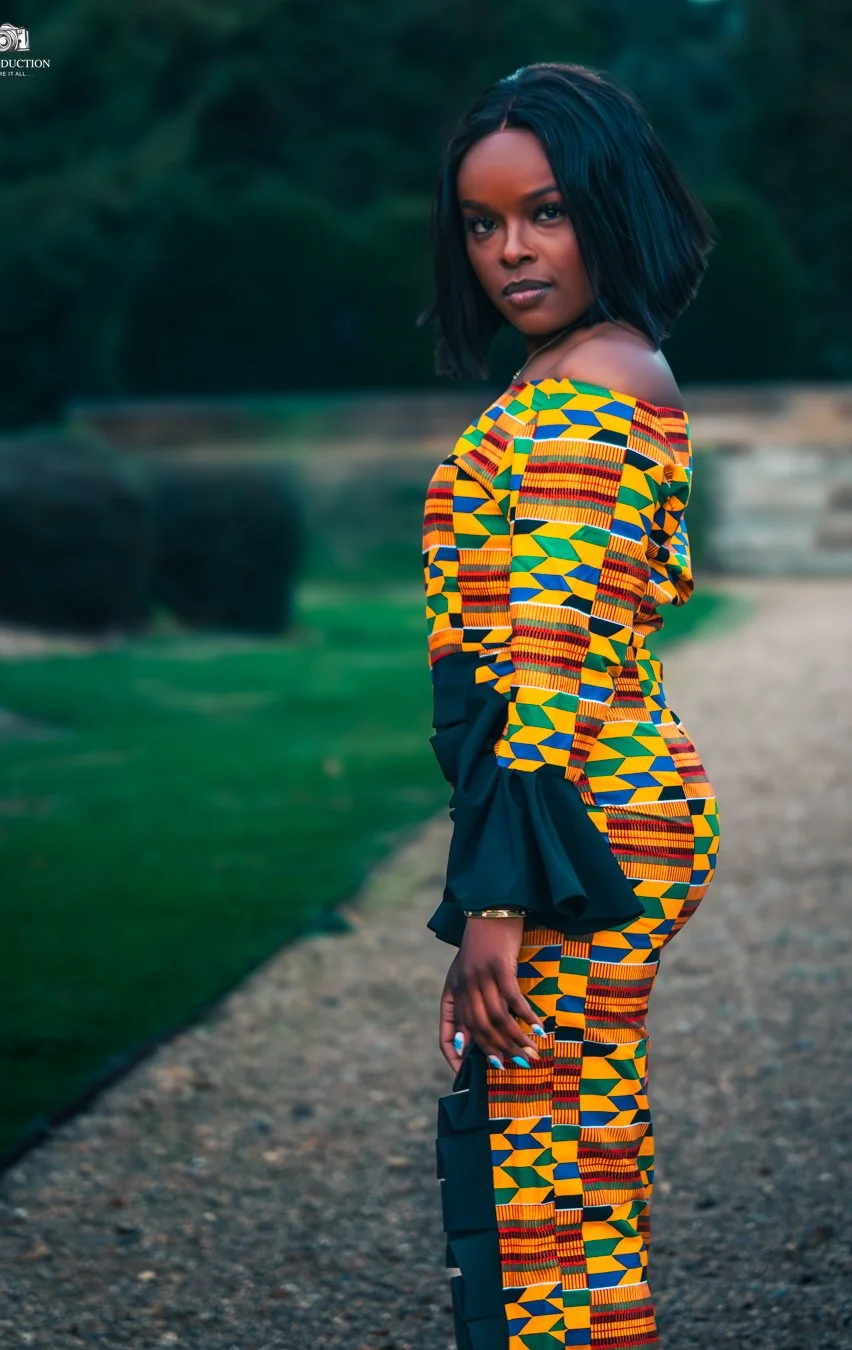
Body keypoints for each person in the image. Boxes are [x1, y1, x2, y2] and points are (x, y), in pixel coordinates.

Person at [417, 62, 720, 1349]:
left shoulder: (581, 395)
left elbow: (540, 676)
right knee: (571, 1164)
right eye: (483, 224)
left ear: (609, 205)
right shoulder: (603, 366)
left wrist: (497, 906)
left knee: (539, 1201)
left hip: (576, 823)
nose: (512, 251)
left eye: (545, 212)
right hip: (591, 816)